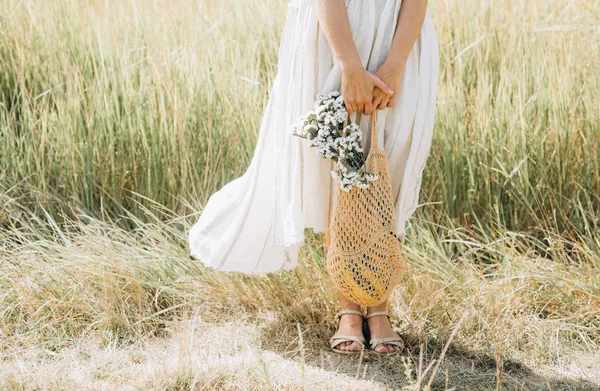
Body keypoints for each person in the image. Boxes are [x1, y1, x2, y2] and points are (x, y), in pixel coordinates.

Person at [188, 0, 439, 355]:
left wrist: (395, 64)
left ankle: (379, 305)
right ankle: (350, 307)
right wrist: (349, 64)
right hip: (335, 33)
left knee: (390, 163)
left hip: (399, 34)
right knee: (334, 163)